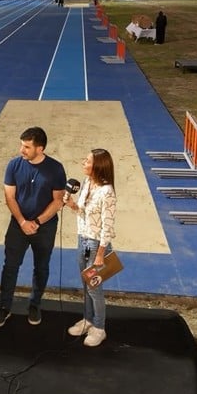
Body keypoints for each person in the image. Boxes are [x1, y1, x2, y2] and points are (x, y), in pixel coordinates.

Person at [0, 127, 66, 327]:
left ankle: (35, 304)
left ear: (40, 149)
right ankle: (4, 307)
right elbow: (9, 197)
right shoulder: (14, 165)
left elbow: (58, 200)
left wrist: (38, 222)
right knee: (10, 267)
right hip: (18, 225)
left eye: (26, 147)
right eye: (21, 145)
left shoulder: (56, 169)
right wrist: (23, 222)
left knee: (41, 267)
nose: (21, 150)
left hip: (45, 227)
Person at [63, 149, 117, 347]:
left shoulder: (107, 192)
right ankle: (87, 319)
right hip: (82, 239)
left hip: (96, 245)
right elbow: (84, 212)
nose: (83, 163)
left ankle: (99, 327)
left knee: (94, 288)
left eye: (87, 161)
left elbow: (107, 226)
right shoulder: (87, 183)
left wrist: (101, 254)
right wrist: (71, 204)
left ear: (98, 166)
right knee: (85, 284)